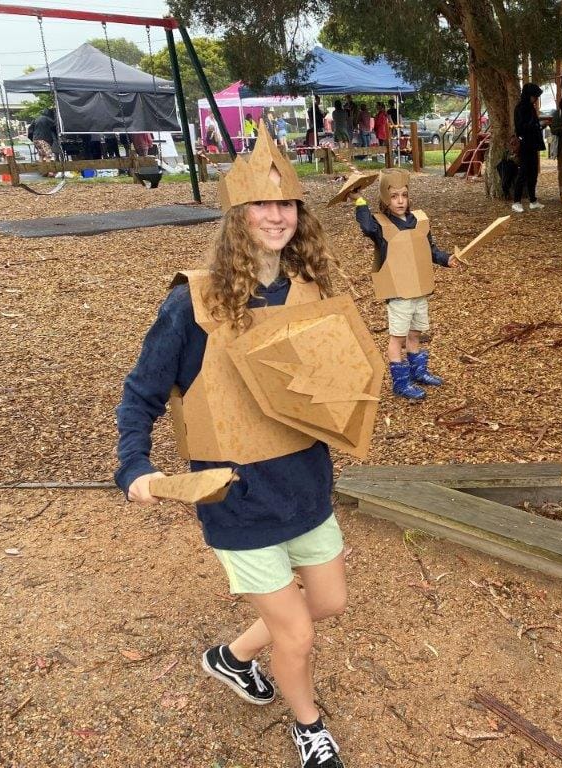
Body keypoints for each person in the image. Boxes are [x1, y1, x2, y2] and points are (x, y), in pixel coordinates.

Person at [115, 124, 349, 768]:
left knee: (327, 601)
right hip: (237, 498)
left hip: (305, 484)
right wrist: (134, 463)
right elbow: (142, 393)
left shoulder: (312, 293)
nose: (276, 216)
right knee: (296, 635)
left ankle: (232, 655)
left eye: (287, 204)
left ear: (299, 213)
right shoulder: (192, 301)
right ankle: (309, 728)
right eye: (261, 204)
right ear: (236, 213)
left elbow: (336, 385)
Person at [354, 168, 459, 399]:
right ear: (385, 199)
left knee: (415, 333)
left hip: (419, 290)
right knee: (398, 338)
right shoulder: (380, 225)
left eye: (404, 195)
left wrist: (446, 259)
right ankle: (401, 383)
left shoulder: (418, 221)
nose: (400, 201)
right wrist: (359, 201)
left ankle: (418, 372)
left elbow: (428, 250)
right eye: (393, 196)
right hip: (399, 294)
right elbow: (367, 227)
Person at [511, 82, 546, 213]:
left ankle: (533, 200)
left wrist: (540, 125)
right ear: (528, 95)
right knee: (523, 173)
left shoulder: (530, 107)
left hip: (533, 144)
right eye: (534, 96)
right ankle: (516, 201)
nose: (536, 99)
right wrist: (537, 125)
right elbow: (521, 128)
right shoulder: (521, 108)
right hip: (525, 143)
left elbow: (531, 125)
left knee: (533, 173)